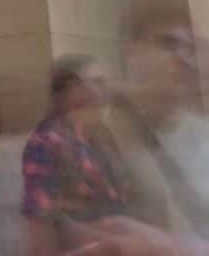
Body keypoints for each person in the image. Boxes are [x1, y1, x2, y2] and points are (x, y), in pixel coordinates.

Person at [106, 12, 209, 253]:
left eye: (189, 50)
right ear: (131, 52)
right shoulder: (98, 136)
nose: (184, 60)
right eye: (168, 44)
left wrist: (185, 248)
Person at [21, 55, 130, 255]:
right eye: (93, 83)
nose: (100, 92)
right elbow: (42, 233)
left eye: (101, 83)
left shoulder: (103, 137)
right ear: (64, 94)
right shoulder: (47, 143)